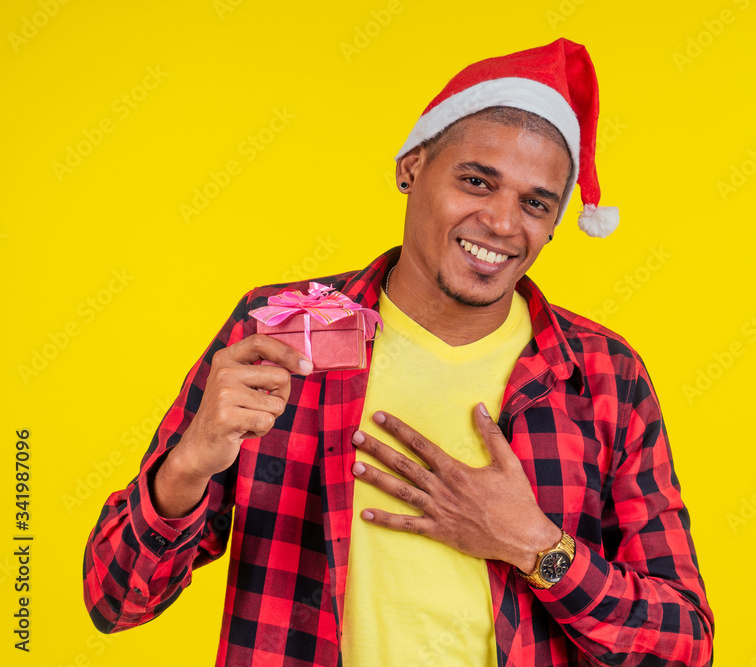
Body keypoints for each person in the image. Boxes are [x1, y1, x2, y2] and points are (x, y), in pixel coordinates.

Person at [83, 38, 714, 666]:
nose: (500, 222)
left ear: (554, 225)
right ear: (410, 167)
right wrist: (191, 462)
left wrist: (536, 546)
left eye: (535, 203)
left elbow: (684, 647)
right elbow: (113, 601)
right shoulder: (281, 332)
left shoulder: (603, 376)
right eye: (476, 181)